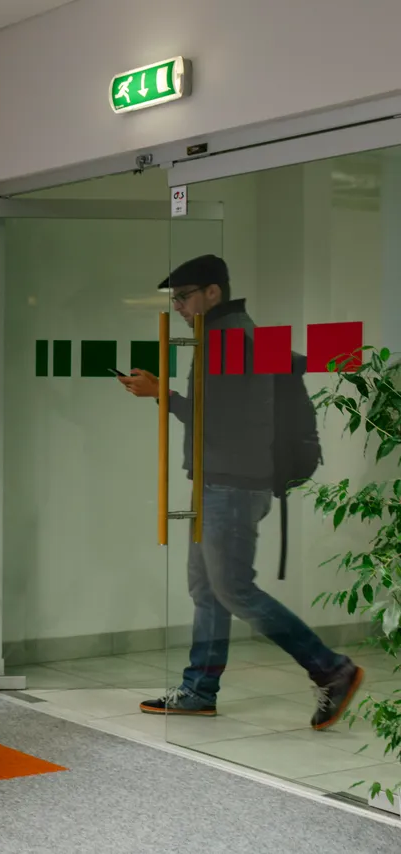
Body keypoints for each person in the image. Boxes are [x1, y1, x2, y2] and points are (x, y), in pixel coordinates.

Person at [118, 254, 362, 728]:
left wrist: (161, 394)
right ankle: (198, 690)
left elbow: (224, 425)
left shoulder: (230, 340)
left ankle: (332, 669)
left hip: (230, 487)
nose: (180, 307)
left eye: (185, 296)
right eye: (175, 299)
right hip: (220, 483)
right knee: (208, 591)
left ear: (213, 292)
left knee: (233, 591)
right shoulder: (227, 336)